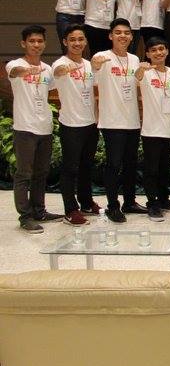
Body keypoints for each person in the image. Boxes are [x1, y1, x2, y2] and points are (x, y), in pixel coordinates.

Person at [6, 25, 62, 233]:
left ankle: (39, 210)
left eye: (40, 41)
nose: (36, 45)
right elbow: (14, 72)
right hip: (25, 127)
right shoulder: (15, 65)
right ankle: (25, 216)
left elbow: (54, 89)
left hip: (44, 127)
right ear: (24, 43)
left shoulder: (47, 69)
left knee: (41, 172)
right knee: (24, 173)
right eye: (32, 41)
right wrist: (26, 71)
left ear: (44, 44)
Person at [91, 18, 147, 222]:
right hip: (112, 121)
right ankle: (112, 206)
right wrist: (95, 65)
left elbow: (136, 82)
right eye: (118, 32)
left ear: (131, 37)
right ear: (110, 36)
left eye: (126, 33)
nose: (123, 36)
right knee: (114, 164)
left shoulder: (134, 59)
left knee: (131, 164)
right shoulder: (102, 57)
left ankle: (129, 202)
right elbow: (94, 72)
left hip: (131, 119)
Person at [52, 25, 100, 225]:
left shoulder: (89, 65)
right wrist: (64, 70)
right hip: (71, 124)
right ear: (65, 42)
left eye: (80, 39)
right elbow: (57, 72)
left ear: (85, 41)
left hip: (90, 123)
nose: (77, 43)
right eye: (72, 39)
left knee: (86, 166)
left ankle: (86, 202)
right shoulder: (59, 63)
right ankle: (70, 210)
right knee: (70, 168)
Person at [136, 37, 170, 221]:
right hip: (151, 130)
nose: (158, 53)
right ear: (147, 54)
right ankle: (152, 203)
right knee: (151, 170)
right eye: (153, 50)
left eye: (161, 49)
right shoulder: (145, 73)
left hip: (169, 129)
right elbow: (136, 76)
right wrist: (141, 68)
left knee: (164, 169)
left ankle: (163, 199)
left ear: (167, 51)